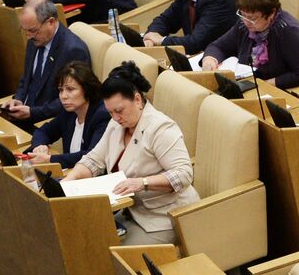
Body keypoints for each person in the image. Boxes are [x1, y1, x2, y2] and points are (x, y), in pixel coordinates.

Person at [64, 63, 199, 244]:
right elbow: (94, 159)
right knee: (86, 237)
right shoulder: (117, 123)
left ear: (137, 100)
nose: (115, 117)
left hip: (164, 217)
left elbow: (184, 174)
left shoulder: (160, 127)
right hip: (130, 210)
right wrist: (68, 182)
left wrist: (142, 183)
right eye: (110, 112)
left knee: (118, 257)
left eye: (119, 111)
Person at [200, 0, 299, 89]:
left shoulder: (288, 31)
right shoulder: (243, 24)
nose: (245, 21)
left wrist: (268, 84)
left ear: (271, 13)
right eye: (242, 15)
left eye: (252, 18)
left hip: (277, 90)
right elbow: (218, 46)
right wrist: (209, 60)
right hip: (248, 84)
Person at [4, 0, 91, 127]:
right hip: (24, 115)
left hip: (46, 121)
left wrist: (33, 112)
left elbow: (74, 99)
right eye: (25, 30)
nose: (28, 36)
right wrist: (18, 100)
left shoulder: (73, 50)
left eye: (32, 30)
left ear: (51, 22)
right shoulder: (35, 39)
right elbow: (27, 77)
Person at [28, 61, 111, 169]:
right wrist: (40, 146)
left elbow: (91, 156)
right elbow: (43, 131)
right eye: (61, 90)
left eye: (70, 89)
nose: (63, 96)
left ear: (87, 89)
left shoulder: (102, 115)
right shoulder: (69, 112)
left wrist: (50, 159)